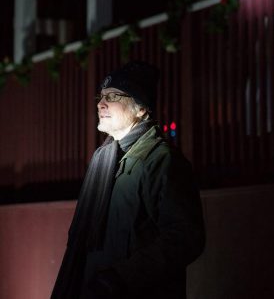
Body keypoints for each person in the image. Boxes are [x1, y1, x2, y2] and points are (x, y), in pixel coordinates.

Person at [51, 60, 205, 299]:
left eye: (113, 96)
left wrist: (120, 277)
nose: (101, 104)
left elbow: (185, 237)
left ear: (141, 108)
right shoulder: (103, 159)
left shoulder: (161, 161)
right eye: (101, 96)